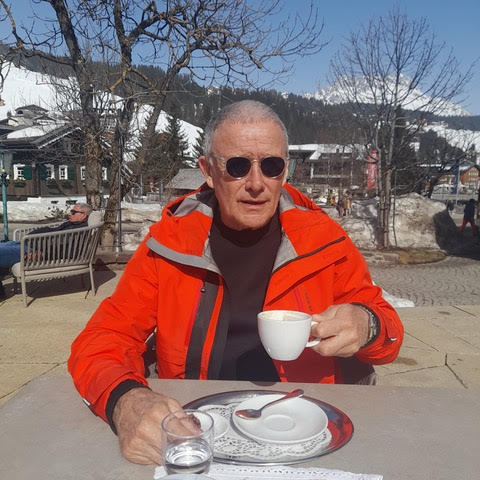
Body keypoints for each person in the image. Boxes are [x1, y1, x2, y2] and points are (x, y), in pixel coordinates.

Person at [68, 100, 404, 465]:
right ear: (208, 171)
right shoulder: (170, 245)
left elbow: (388, 334)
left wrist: (367, 324)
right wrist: (125, 399)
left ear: (285, 172)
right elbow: (103, 339)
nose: (257, 184)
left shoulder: (324, 241)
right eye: (238, 166)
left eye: (271, 166)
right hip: (197, 426)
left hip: (307, 423)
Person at [0, 203, 92, 269]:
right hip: (27, 244)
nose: (69, 214)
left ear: (83, 215)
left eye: (73, 212)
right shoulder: (72, 224)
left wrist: (44, 254)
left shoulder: (80, 230)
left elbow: (66, 248)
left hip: (33, 250)